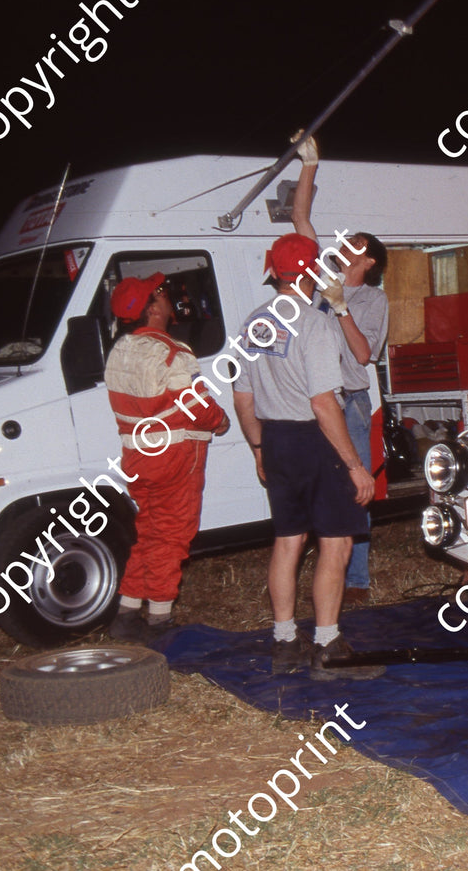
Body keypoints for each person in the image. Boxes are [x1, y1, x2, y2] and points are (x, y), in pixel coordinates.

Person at [231, 233, 383, 680]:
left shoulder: (254, 322)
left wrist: (259, 448)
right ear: (311, 272)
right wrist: (355, 466)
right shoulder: (314, 324)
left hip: (276, 439)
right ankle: (328, 645)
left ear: (274, 271)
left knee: (288, 540)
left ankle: (284, 642)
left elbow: (243, 398)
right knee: (336, 542)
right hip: (315, 441)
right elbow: (323, 403)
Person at [104, 273, 229, 642]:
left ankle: (127, 613)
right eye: (159, 294)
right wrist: (220, 421)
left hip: (137, 455)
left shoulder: (119, 351)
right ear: (153, 310)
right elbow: (197, 406)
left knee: (149, 532)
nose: (166, 297)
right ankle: (160, 619)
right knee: (172, 535)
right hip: (176, 455)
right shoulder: (174, 352)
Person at [292, 134, 390, 607]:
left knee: (356, 486)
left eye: (358, 244)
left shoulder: (373, 299)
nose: (347, 245)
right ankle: (330, 567)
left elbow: (364, 355)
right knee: (320, 485)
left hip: (350, 402)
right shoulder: (319, 281)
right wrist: (310, 165)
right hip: (317, 401)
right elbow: (300, 221)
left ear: (369, 262)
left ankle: (357, 580)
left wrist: (340, 307)